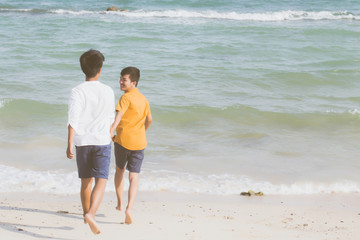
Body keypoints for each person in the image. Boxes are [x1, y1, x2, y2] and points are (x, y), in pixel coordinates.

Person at [66, 49, 115, 234]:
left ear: (82, 69)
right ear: (100, 69)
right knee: (101, 180)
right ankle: (91, 214)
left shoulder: (77, 91)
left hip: (83, 141)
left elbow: (73, 118)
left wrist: (69, 143)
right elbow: (111, 117)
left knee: (85, 181)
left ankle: (86, 213)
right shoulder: (108, 90)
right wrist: (112, 134)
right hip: (102, 140)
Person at [110, 66, 152, 224]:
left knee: (120, 171)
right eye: (120, 78)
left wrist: (110, 131)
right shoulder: (143, 99)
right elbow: (149, 120)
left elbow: (117, 118)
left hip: (122, 141)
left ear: (133, 82)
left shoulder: (125, 98)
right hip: (139, 142)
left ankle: (120, 203)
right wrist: (142, 132)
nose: (121, 82)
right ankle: (129, 208)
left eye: (124, 80)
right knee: (134, 176)